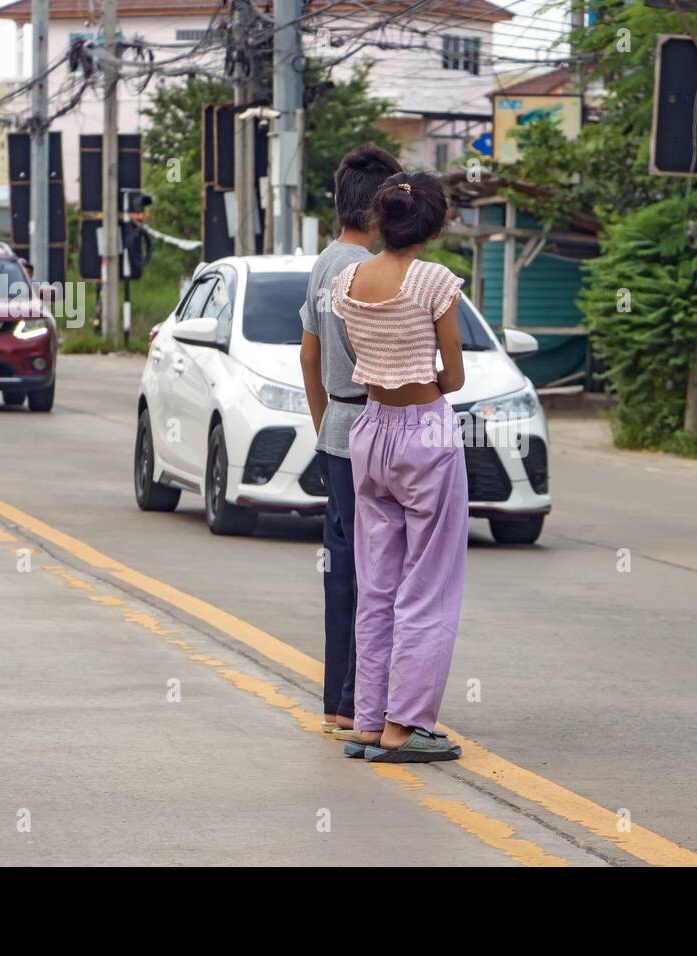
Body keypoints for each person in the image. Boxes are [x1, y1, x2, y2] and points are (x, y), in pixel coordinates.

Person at [330, 171, 468, 763]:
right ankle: (405, 724)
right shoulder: (434, 280)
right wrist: (426, 380)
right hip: (425, 432)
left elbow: (364, 355)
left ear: (380, 220)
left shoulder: (349, 279)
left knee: (377, 583)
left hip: (371, 432)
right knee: (427, 584)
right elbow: (455, 375)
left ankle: (367, 721)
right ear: (433, 226)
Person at [299, 144, 403, 736]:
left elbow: (310, 353)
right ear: (382, 207)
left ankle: (338, 703)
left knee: (342, 572)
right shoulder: (369, 271)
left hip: (337, 428)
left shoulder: (321, 264)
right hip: (374, 425)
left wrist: (323, 425)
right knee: (379, 573)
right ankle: (365, 705)